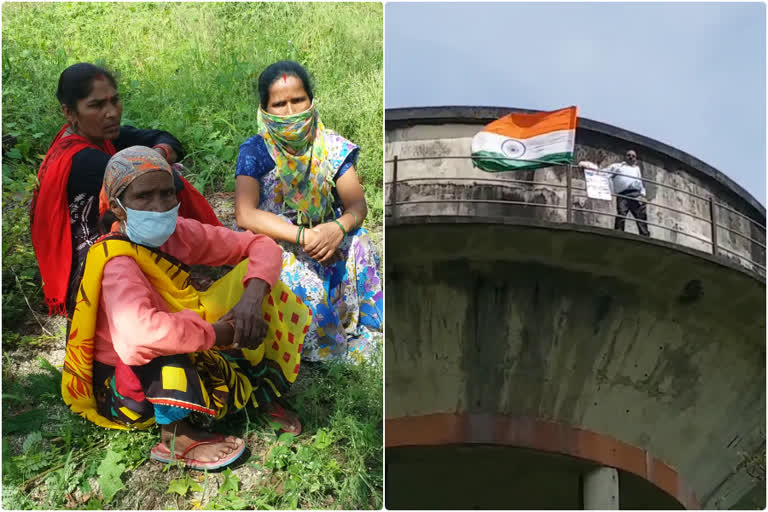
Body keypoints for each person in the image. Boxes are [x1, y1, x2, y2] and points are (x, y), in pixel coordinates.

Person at [62, 146, 308, 471]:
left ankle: (256, 397)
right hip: (129, 386)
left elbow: (259, 244)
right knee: (163, 341)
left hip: (183, 335)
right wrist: (218, 331)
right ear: (119, 209)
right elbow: (138, 338)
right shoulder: (117, 262)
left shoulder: (176, 233)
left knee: (263, 282)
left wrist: (251, 298)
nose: (160, 206)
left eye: (167, 193)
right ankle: (176, 436)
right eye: (144, 196)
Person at [30, 62, 221, 318]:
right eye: (97, 105)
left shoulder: (99, 135)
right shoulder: (84, 160)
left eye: (114, 101)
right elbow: (168, 186)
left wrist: (157, 154)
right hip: (91, 272)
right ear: (69, 112)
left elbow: (166, 138)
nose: (111, 113)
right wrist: (158, 165)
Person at [234, 61, 382, 362]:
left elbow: (357, 206)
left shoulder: (331, 146)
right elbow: (245, 214)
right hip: (278, 240)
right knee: (290, 273)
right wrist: (303, 236)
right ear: (265, 109)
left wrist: (336, 228)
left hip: (326, 236)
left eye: (297, 100)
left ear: (310, 100)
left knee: (361, 243)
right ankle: (329, 349)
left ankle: (370, 330)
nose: (291, 112)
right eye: (279, 104)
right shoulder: (256, 150)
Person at [603, 149, 650, 236]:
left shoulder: (637, 169)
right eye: (629, 155)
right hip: (623, 194)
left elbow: (640, 181)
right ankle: (619, 233)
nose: (631, 157)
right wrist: (590, 168)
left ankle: (645, 235)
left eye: (633, 156)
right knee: (621, 214)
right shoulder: (618, 166)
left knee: (641, 216)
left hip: (636, 194)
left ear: (635, 159)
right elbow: (604, 172)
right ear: (625, 156)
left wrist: (643, 195)